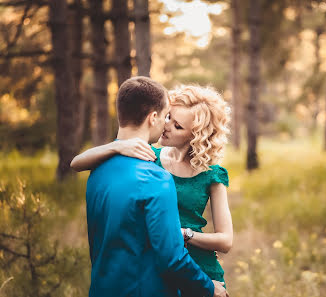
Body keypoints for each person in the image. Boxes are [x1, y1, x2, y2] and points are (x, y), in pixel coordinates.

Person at [71, 84, 233, 294]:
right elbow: (77, 163)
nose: (166, 126)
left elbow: (226, 241)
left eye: (178, 126)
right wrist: (116, 146)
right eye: (168, 118)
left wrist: (184, 234)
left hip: (199, 266)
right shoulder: (146, 155)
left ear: (196, 136)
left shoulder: (212, 174)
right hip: (161, 267)